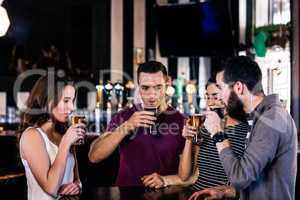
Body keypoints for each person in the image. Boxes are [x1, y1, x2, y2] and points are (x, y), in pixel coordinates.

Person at [191, 56, 297, 200]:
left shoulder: (271, 119)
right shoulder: (261, 116)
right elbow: (256, 178)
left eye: (221, 88)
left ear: (239, 88)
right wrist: (226, 192)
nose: (220, 96)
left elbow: (240, 177)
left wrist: (217, 132)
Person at [88, 61, 187, 188]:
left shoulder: (181, 121)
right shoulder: (124, 116)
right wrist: (127, 126)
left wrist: (165, 180)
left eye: (158, 87)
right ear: (138, 87)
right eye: (145, 88)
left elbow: (192, 175)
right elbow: (94, 156)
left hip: (167, 195)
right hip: (126, 194)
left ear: (167, 84)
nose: (152, 95)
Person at [19, 75, 85, 200]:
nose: (72, 108)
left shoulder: (64, 133)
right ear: (48, 100)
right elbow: (51, 188)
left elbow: (77, 180)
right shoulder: (32, 135)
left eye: (73, 100)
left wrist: (78, 186)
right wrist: (66, 142)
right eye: (66, 101)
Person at [180, 77, 248, 191]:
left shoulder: (245, 131)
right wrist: (188, 139)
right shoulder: (204, 128)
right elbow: (184, 176)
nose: (210, 103)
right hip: (195, 194)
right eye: (207, 97)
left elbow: (243, 180)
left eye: (215, 97)